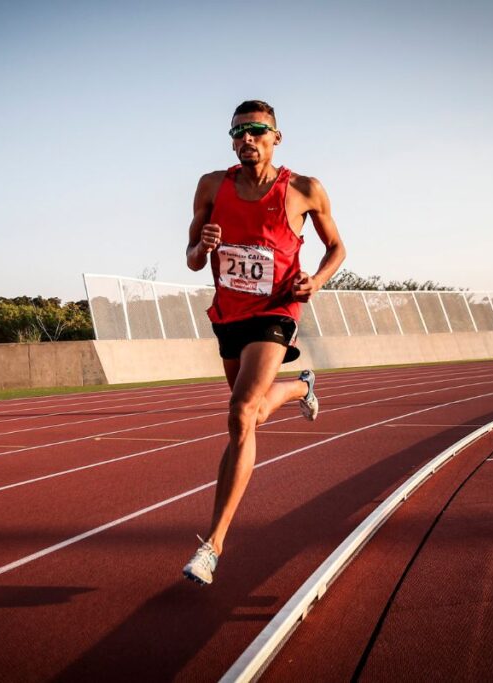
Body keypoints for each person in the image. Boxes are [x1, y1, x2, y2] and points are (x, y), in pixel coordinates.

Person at [181, 100, 346, 585]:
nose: (246, 139)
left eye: (256, 131)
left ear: (276, 137)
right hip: (230, 313)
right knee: (249, 415)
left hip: (276, 310)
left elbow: (338, 247)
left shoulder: (303, 189)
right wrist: (203, 246)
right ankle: (300, 388)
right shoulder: (212, 186)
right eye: (238, 132)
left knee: (239, 411)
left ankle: (212, 545)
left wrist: (315, 281)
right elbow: (191, 259)